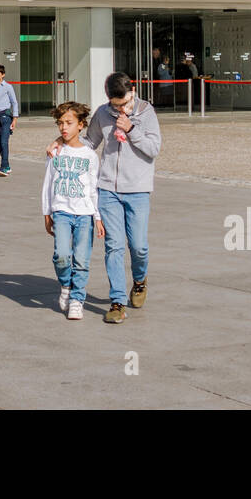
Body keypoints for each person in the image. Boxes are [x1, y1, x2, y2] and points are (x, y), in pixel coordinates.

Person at [55, 72, 161, 324]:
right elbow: (90, 142)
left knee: (138, 246)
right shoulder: (104, 113)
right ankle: (117, 302)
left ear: (132, 91)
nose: (119, 109)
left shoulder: (146, 112)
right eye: (115, 105)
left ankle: (139, 280)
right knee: (113, 245)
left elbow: (153, 150)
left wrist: (131, 129)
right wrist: (62, 140)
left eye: (123, 104)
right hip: (108, 190)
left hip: (137, 189)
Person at [42, 101, 104, 321]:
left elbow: (93, 188)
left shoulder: (90, 156)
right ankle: (66, 284)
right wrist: (46, 212)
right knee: (61, 255)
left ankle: (77, 298)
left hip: (85, 214)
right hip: (61, 212)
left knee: (81, 259)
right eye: (60, 123)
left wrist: (97, 217)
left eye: (69, 123)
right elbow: (48, 183)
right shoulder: (56, 152)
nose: (63, 128)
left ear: (81, 125)